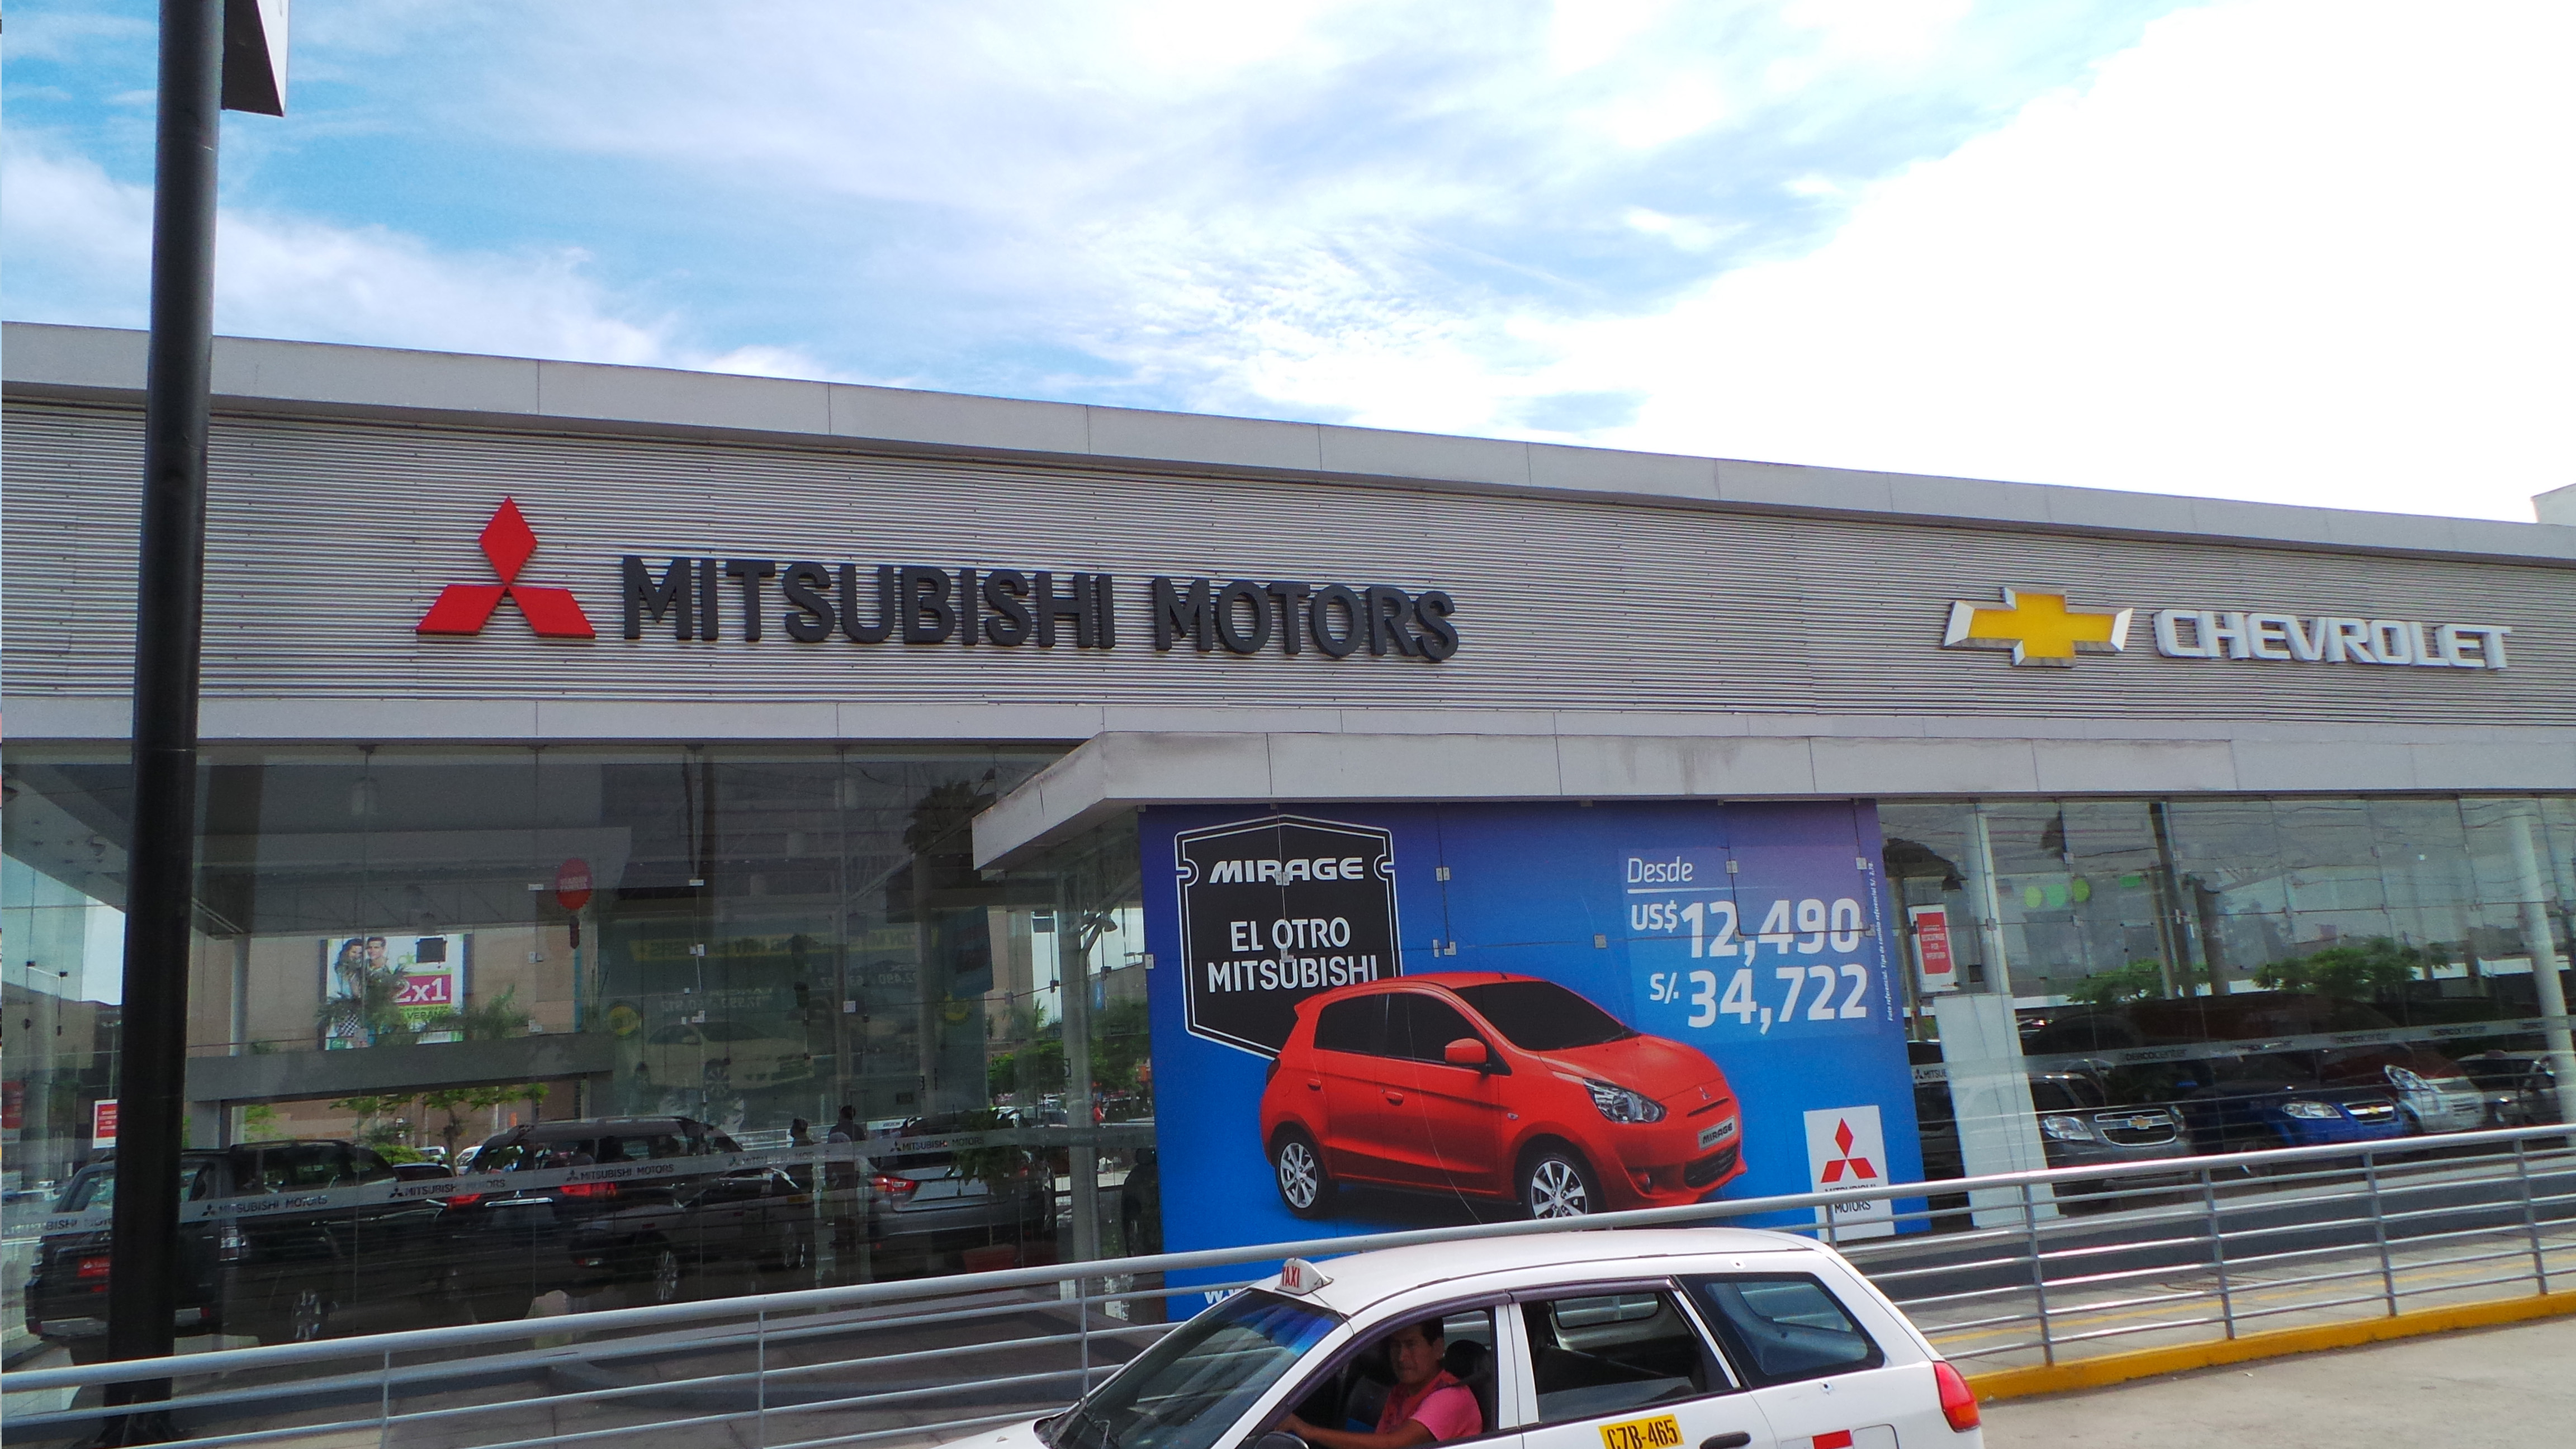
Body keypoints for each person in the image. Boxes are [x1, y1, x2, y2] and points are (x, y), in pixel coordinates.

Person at [1282, 1318, 1479, 1449]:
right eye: (1396, 1346)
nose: (1401, 1357)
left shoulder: (1451, 1396)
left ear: (1437, 1348)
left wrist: (1308, 1431)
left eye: (1411, 1345)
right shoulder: (1402, 1390)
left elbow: (1393, 1444)